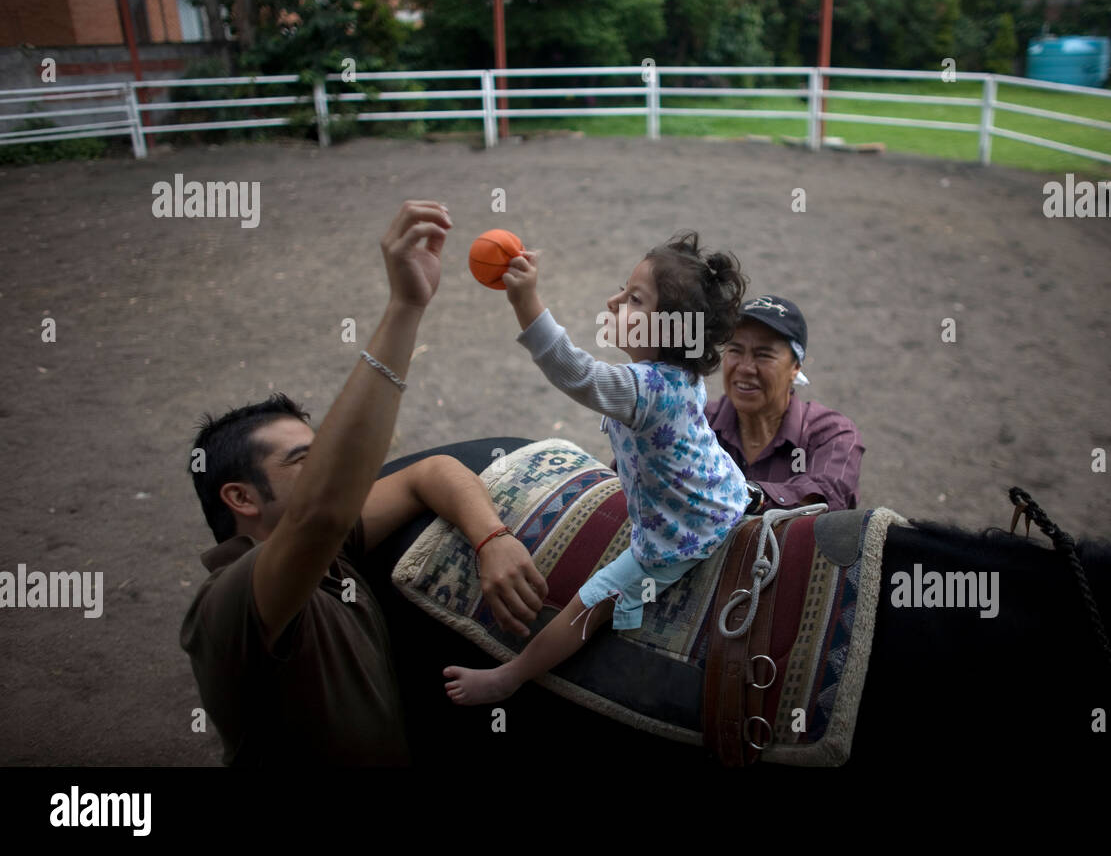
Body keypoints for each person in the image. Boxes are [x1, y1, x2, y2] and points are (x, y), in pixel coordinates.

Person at [179, 201, 548, 765]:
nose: (326, 468)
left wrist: (492, 539)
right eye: (306, 458)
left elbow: (430, 473)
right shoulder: (231, 603)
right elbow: (322, 511)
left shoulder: (330, 551)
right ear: (241, 497)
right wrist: (404, 308)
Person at [442, 231, 752, 706]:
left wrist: (525, 301)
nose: (612, 301)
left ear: (671, 329)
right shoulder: (681, 374)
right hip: (724, 491)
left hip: (686, 531)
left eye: (634, 299)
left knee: (593, 599)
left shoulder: (644, 389)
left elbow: (576, 372)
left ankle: (510, 676)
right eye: (621, 288)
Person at [704, 295, 865, 512]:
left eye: (763, 355)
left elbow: (828, 498)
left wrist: (747, 495)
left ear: (796, 366)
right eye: (735, 350)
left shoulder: (831, 434)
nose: (745, 368)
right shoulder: (697, 423)